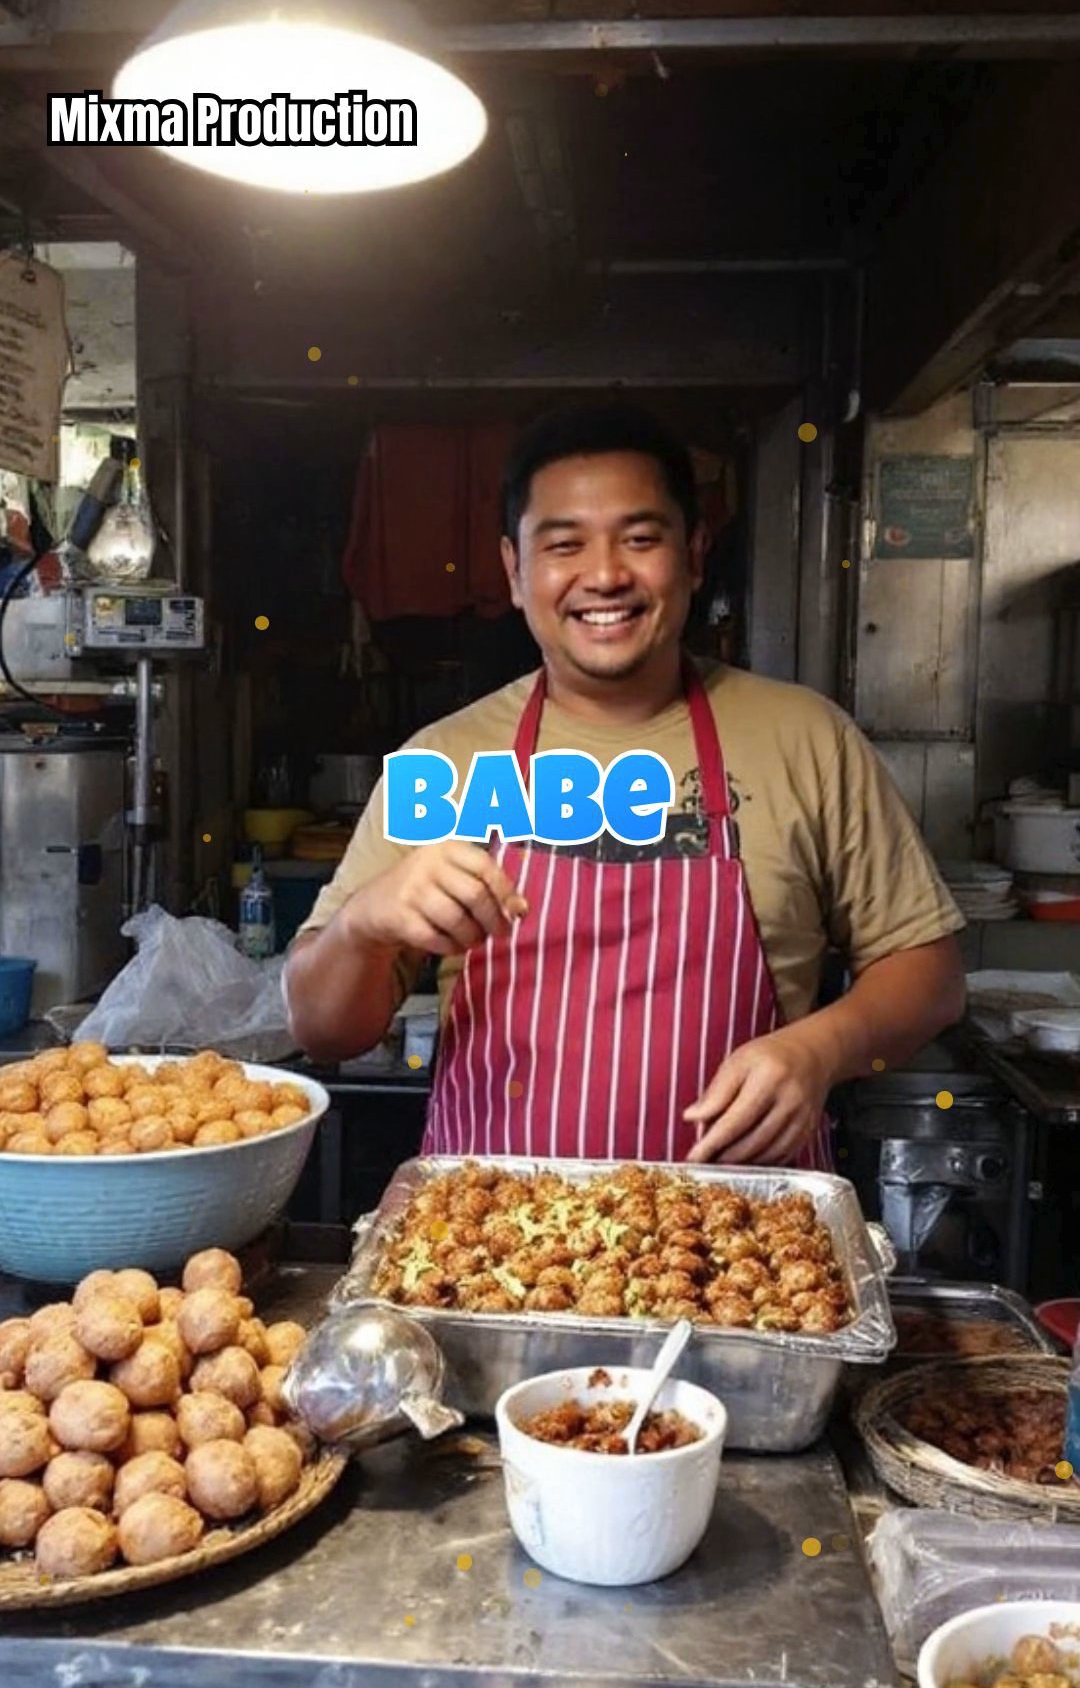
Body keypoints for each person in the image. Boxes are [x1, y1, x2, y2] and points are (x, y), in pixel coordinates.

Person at [286, 404, 966, 1166]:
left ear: (695, 555)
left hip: (747, 1249)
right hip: (484, 1251)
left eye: (641, 539)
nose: (605, 575)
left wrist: (824, 1048)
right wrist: (362, 927)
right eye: (565, 544)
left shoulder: (808, 740)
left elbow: (930, 977)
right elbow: (323, 1032)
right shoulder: (444, 760)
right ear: (515, 571)